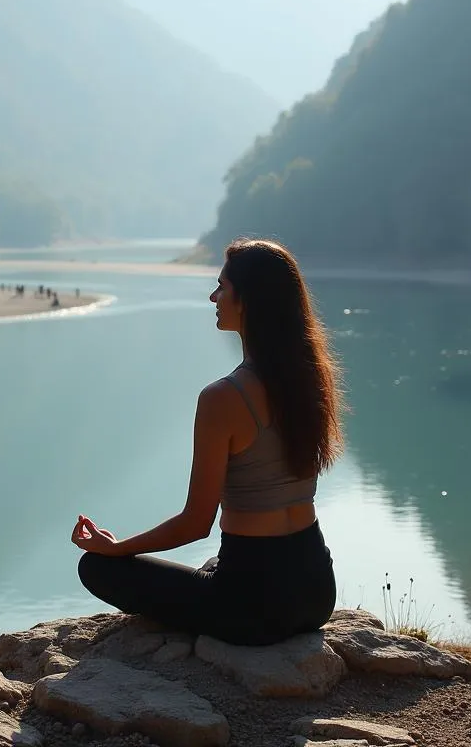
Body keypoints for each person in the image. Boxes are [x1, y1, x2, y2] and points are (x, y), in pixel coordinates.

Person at [72, 238, 343, 646]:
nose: (213, 296)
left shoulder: (223, 397)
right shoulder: (312, 377)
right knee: (214, 563)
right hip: (317, 589)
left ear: (248, 299)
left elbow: (196, 524)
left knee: (95, 568)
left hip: (253, 606)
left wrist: (119, 547)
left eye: (222, 287)